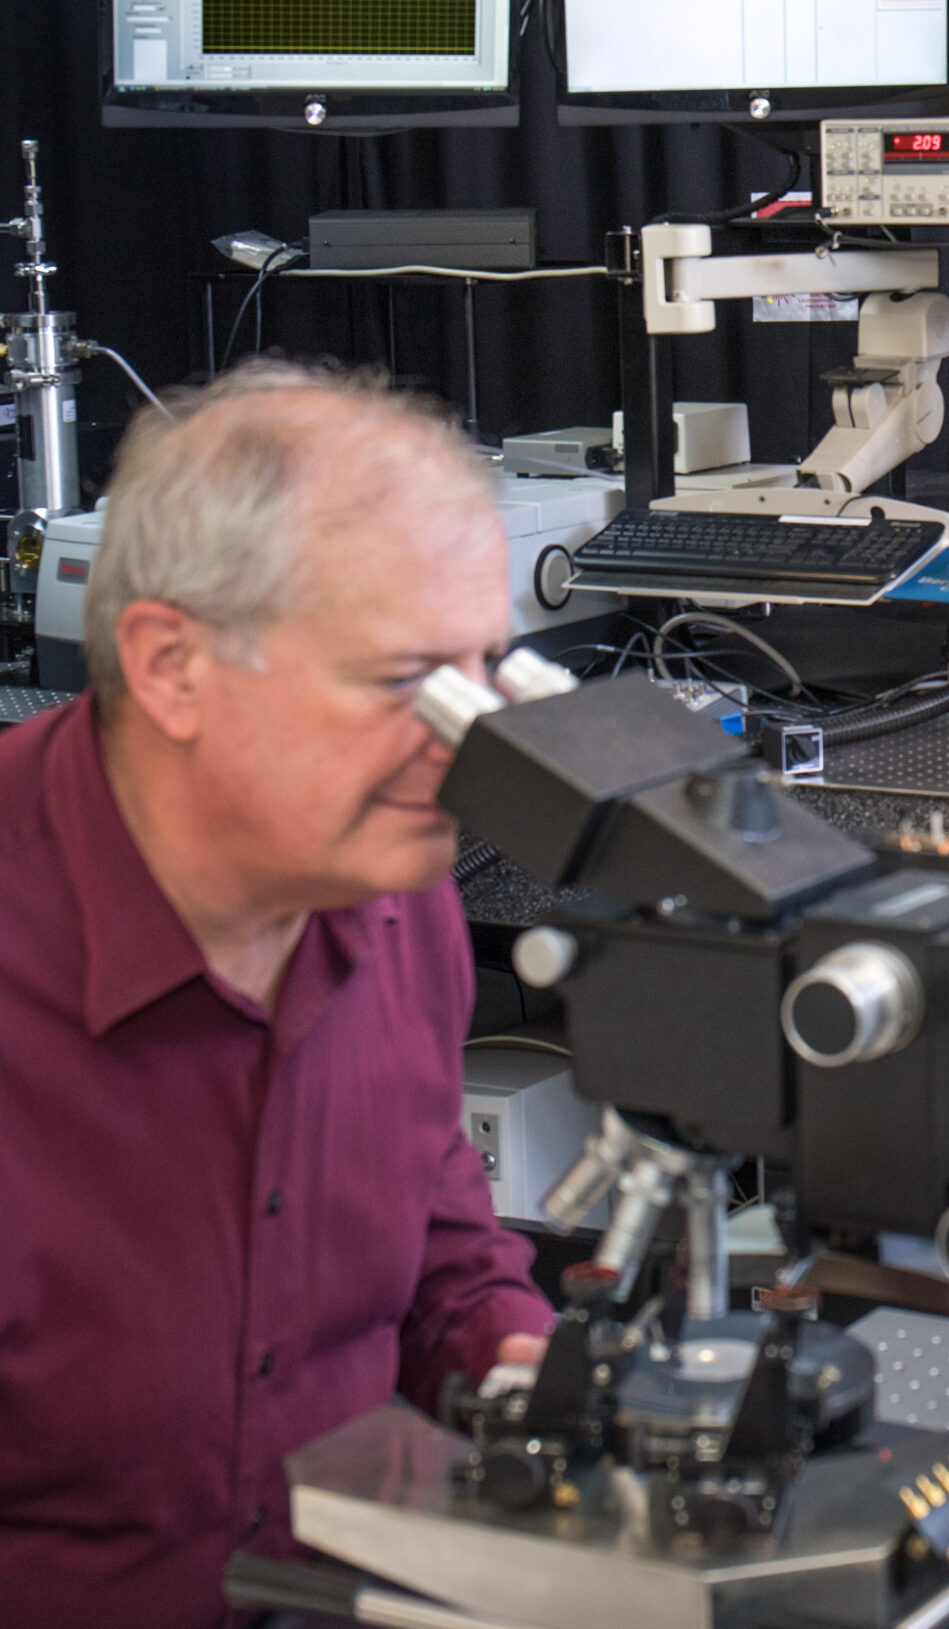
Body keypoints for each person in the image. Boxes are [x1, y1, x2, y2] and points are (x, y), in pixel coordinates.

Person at [0, 362, 556, 1621]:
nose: (468, 747)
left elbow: (434, 1225)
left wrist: (517, 1361)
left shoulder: (394, 889)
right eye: (407, 682)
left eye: (489, 672)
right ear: (172, 668)